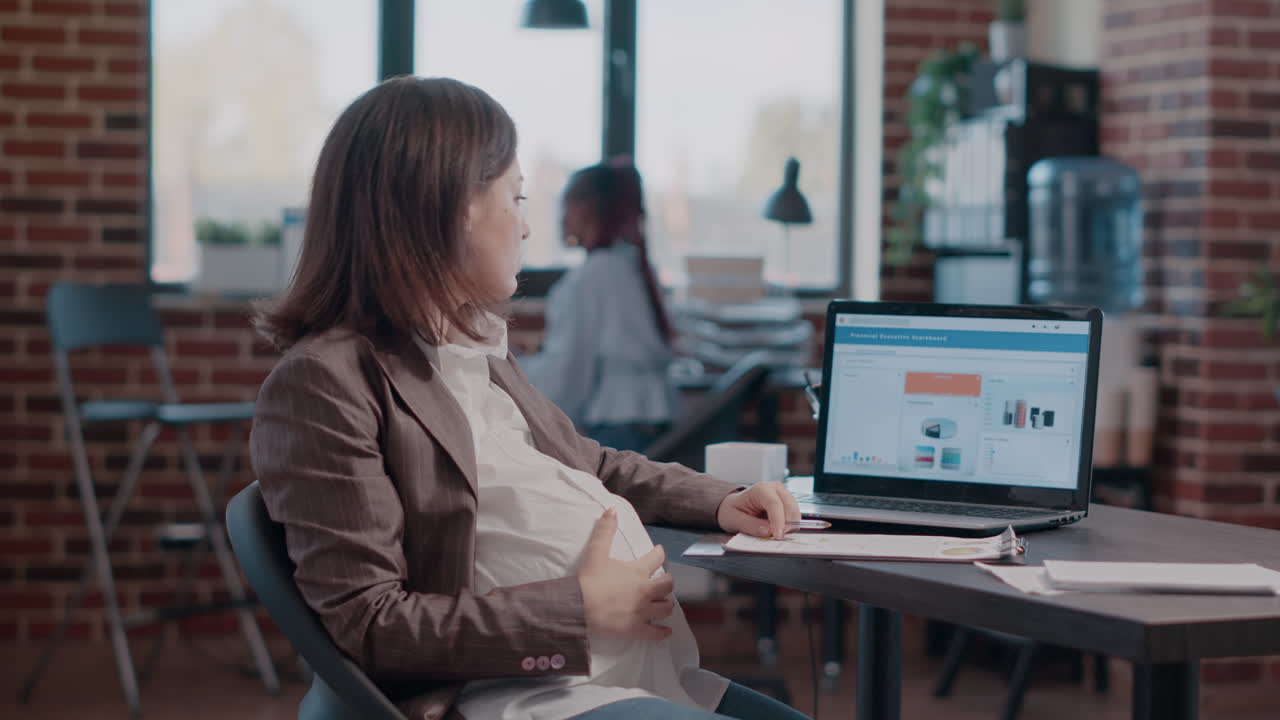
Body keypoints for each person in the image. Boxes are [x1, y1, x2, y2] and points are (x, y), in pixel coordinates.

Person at [250, 76, 809, 720]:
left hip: (623, 676)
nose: (525, 225)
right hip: (508, 697)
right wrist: (582, 609)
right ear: (447, 207)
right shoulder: (325, 383)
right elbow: (371, 624)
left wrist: (721, 501)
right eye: (514, 198)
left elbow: (588, 462)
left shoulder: (472, 349)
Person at [521, 161, 678, 453]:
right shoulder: (635, 266)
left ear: (587, 208)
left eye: (567, 205)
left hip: (617, 427)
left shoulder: (590, 278)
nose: (563, 218)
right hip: (653, 420)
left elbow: (567, 374)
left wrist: (515, 376)